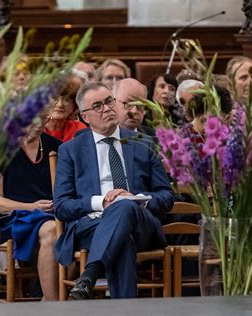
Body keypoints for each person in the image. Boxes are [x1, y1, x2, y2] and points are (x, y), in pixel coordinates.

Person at [54, 81, 174, 299]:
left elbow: (166, 197)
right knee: (122, 238)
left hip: (141, 224)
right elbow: (62, 207)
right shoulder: (70, 151)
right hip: (92, 225)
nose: (107, 108)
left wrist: (136, 199)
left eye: (109, 101)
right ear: (84, 116)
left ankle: (90, 274)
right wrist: (101, 202)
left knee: (125, 207)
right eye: (97, 106)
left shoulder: (144, 143)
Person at [0, 111, 61, 300]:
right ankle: (54, 307)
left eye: (45, 117)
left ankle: (46, 300)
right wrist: (31, 207)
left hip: (52, 213)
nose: (40, 123)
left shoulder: (56, 147)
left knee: (71, 233)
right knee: (53, 230)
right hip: (14, 217)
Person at [44, 73, 87, 142]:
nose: (60, 105)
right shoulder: (33, 129)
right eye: (54, 98)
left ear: (74, 105)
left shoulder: (79, 129)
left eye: (66, 99)